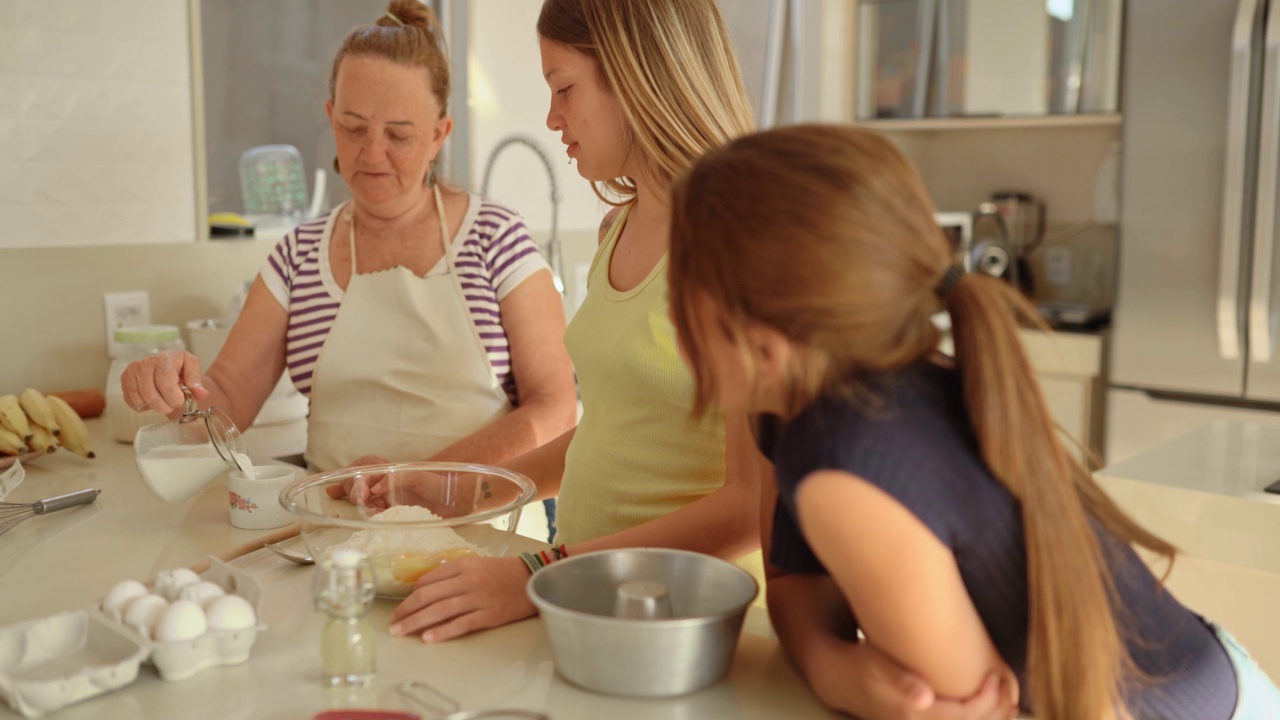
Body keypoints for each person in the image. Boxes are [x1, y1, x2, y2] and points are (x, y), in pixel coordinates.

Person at [665, 123, 1280, 720]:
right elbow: (796, 584)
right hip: (1216, 674)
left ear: (764, 347)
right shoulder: (827, 403)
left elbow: (969, 711)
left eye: (680, 295)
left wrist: (845, 674)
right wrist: (835, 670)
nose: (669, 314)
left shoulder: (842, 459)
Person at [383, 0, 768, 642]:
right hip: (590, 606)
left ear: (639, 75)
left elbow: (753, 503)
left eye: (564, 88)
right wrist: (462, 489)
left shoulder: (742, 240)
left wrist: (542, 571)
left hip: (688, 627)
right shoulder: (620, 225)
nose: (551, 117)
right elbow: (614, 435)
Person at [120, 0, 577, 472]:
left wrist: (431, 484)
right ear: (330, 116)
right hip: (337, 534)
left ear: (440, 134)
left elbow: (555, 406)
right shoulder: (298, 256)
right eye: (353, 127)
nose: (372, 152)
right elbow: (229, 399)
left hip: (483, 531)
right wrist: (175, 391)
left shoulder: (496, 239)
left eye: (399, 135)